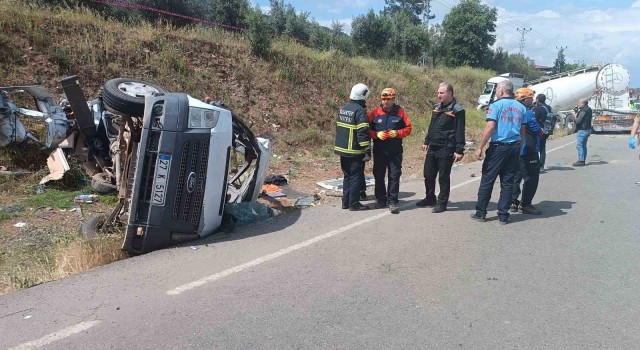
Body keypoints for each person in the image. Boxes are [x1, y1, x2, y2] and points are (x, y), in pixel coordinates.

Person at [470, 80, 526, 225]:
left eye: (496, 91)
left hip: (498, 147)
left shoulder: (496, 105)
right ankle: (503, 215)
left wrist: (480, 147)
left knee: (488, 179)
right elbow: (522, 131)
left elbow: (490, 127)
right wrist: (519, 148)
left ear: (501, 91)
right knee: (507, 182)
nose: (495, 93)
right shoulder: (521, 107)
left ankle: (481, 212)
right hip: (513, 147)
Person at [417, 82, 465, 213]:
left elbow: (460, 130)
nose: (439, 95)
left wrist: (459, 150)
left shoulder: (457, 110)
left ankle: (442, 203)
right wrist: (427, 141)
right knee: (428, 174)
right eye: (438, 92)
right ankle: (429, 198)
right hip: (433, 146)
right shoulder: (436, 107)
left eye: (442, 93)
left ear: (450, 93)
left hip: (446, 147)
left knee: (443, 177)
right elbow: (432, 126)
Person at [367, 87, 412, 214]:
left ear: (393, 99)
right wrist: (376, 135)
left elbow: (408, 129)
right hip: (379, 151)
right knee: (379, 175)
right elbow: (366, 129)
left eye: (388, 99)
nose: (385, 102)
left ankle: (392, 201)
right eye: (383, 99)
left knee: (394, 175)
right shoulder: (375, 112)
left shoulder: (400, 112)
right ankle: (381, 200)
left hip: (395, 151)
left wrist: (397, 133)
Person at [334, 83, 371, 211]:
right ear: (363, 95)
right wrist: (367, 149)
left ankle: (346, 202)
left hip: (342, 150)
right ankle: (354, 203)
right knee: (355, 176)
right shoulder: (359, 111)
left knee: (347, 176)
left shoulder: (344, 108)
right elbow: (362, 132)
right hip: (354, 151)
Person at [511, 88, 544, 215]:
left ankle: (513, 202)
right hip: (528, 149)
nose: (533, 101)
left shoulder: (511, 110)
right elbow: (537, 130)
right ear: (526, 99)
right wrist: (541, 131)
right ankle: (526, 204)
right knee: (531, 178)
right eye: (531, 98)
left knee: (516, 176)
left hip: (514, 149)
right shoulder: (527, 112)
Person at [533, 94, 553, 170]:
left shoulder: (538, 109)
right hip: (546, 130)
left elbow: (534, 119)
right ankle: (541, 165)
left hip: (539, 130)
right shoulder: (549, 108)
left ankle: (535, 164)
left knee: (536, 147)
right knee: (542, 148)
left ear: (538, 100)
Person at [572, 98, 593, 166]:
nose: (578, 104)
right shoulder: (589, 109)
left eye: (579, 103)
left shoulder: (584, 111)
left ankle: (581, 160)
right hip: (588, 129)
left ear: (583, 104)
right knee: (583, 145)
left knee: (579, 145)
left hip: (583, 130)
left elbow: (578, 121)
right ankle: (583, 159)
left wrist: (575, 116)